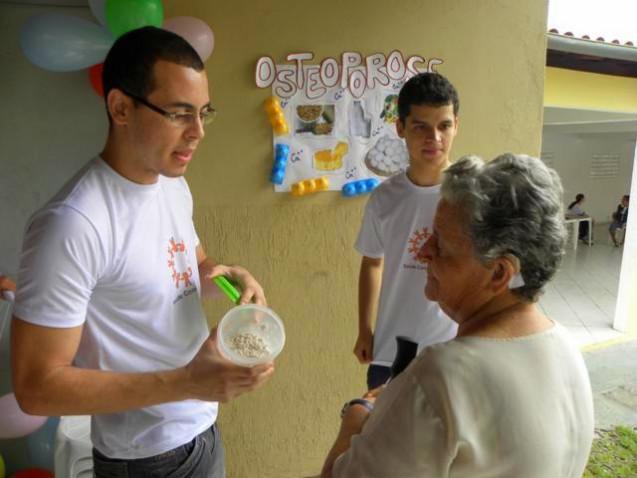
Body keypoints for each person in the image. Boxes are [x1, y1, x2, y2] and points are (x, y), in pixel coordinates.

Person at [11, 27, 274, 478]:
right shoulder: (73, 224)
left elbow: (190, 266)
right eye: (178, 114)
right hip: (146, 458)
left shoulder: (172, 183)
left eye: (203, 113)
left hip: (202, 427)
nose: (197, 133)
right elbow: (37, 389)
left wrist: (230, 277)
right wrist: (188, 382)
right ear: (120, 107)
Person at [322, 154, 594, 477]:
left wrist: (355, 419)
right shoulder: (567, 350)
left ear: (499, 273)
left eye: (442, 244)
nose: (424, 252)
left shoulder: (441, 377)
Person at [353, 73, 460, 390]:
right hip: (390, 352)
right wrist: (364, 329)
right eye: (421, 127)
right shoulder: (385, 197)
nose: (434, 138)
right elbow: (372, 263)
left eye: (444, 125)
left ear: (456, 125)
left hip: (452, 352)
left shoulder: (470, 195)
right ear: (400, 128)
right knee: (385, 436)